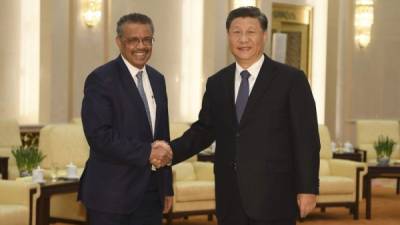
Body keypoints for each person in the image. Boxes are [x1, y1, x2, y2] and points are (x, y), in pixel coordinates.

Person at [154, 6, 320, 225]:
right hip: (230, 197)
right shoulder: (217, 83)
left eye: (251, 32)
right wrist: (170, 151)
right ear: (228, 36)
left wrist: (307, 188)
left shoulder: (291, 80)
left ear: (264, 36)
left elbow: (306, 139)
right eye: (236, 32)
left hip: (274, 197)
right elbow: (203, 130)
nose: (243, 39)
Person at [78, 13, 173, 225]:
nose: (141, 45)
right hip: (111, 195)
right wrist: (147, 152)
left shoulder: (158, 80)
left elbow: (162, 136)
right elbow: (99, 137)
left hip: (150, 194)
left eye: (147, 39)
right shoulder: (101, 79)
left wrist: (166, 186)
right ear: (119, 42)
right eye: (133, 40)